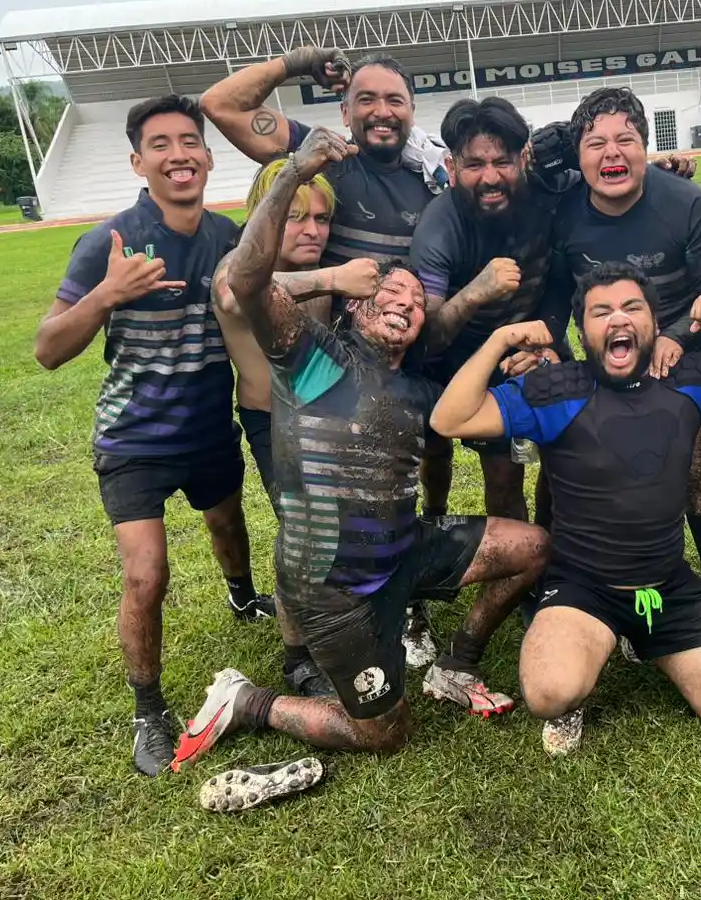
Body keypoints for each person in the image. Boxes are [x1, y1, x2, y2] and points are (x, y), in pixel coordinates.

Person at [170, 126, 549, 769]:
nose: (403, 303)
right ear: (351, 308)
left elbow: (480, 408)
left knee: (534, 546)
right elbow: (247, 278)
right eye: (387, 293)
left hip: (406, 550)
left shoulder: (420, 389)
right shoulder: (313, 359)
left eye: (415, 301)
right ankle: (248, 701)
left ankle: (456, 662)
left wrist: (521, 364)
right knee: (382, 733)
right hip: (335, 588)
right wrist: (294, 172)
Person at [430, 263, 701, 754]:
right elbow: (449, 418)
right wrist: (500, 339)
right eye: (600, 312)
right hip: (583, 587)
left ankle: (644, 638)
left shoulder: (687, 377)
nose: (618, 319)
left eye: (632, 308)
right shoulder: (555, 390)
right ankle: (586, 664)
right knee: (550, 693)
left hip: (666, 586)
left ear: (654, 322)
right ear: (582, 332)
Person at [33, 95, 273, 777]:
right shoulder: (109, 242)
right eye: (160, 144)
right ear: (139, 163)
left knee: (227, 522)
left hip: (209, 427)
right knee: (147, 574)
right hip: (134, 438)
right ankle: (149, 710)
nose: (178, 155)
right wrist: (106, 294)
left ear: (208, 156)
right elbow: (48, 349)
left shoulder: (228, 238)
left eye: (189, 141)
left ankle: (242, 595)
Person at [201, 48, 445, 665]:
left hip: (370, 383)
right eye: (366, 99)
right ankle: (302, 656)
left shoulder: (427, 172)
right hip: (297, 396)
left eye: (395, 100)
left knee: (383, 506)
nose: (381, 112)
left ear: (413, 110)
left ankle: (397, 605)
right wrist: (302, 61)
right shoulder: (324, 159)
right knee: (307, 528)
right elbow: (219, 105)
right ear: (343, 110)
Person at [547, 87, 701, 636]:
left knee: (693, 466)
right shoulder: (563, 211)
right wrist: (553, 348)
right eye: (596, 143)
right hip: (604, 358)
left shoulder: (687, 203)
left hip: (684, 350)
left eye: (625, 140)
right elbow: (553, 293)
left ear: (646, 145)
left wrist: (674, 337)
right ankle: (564, 581)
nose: (612, 153)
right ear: (579, 156)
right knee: (570, 464)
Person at [212, 160, 381, 698]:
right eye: (296, 218)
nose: (313, 230)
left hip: (329, 422)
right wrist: (333, 278)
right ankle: (297, 658)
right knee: (303, 536)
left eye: (322, 219)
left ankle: (352, 619)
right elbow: (237, 290)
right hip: (273, 424)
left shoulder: (321, 274)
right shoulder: (238, 267)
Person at [410, 97, 576, 524]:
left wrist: (546, 340)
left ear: (523, 159)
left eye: (502, 162)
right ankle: (510, 557)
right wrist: (474, 293)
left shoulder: (550, 192)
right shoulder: (440, 226)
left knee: (564, 458)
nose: (490, 178)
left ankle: (553, 548)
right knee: (502, 476)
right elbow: (428, 338)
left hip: (541, 338)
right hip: (470, 356)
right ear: (451, 168)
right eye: (474, 165)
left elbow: (562, 278)